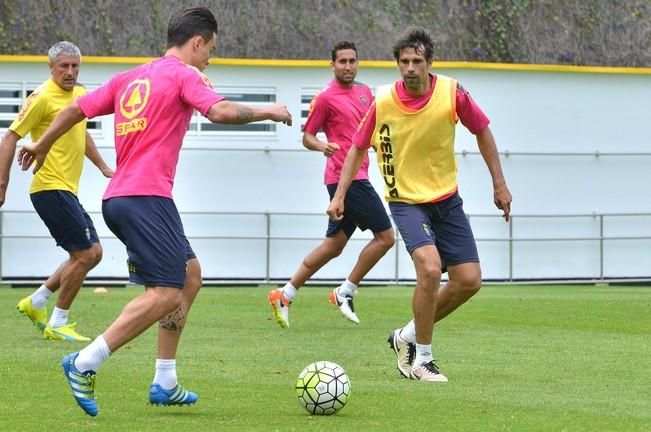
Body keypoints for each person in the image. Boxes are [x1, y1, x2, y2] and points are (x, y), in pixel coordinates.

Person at [18, 7, 292, 416]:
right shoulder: (184, 75)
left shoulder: (130, 78)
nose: (209, 60)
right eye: (210, 51)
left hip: (126, 197)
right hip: (146, 197)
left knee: (189, 275)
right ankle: (85, 362)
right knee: (164, 293)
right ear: (196, 42)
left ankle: (165, 379)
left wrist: (41, 144)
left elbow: (76, 110)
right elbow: (219, 111)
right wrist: (270, 110)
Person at [327, 27, 512, 382]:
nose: (410, 68)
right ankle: (422, 358)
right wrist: (339, 196)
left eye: (417, 61)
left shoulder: (452, 92)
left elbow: (482, 130)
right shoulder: (383, 101)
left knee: (469, 281)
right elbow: (356, 147)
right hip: (406, 201)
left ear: (429, 63)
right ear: (397, 64)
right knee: (429, 269)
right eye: (404, 61)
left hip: (447, 199)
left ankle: (406, 335)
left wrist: (499, 183)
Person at [268, 41, 394, 328]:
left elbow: (368, 132)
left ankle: (285, 294)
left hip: (358, 175)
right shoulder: (324, 98)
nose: (348, 66)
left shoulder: (365, 93)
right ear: (332, 65)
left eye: (352, 61)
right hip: (345, 179)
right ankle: (345, 292)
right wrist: (322, 146)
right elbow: (307, 136)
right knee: (386, 237)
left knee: (333, 246)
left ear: (357, 63)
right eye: (342, 62)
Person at [0, 41, 112, 342]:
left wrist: (102, 166)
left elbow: (81, 133)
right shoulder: (41, 98)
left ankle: (35, 302)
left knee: (94, 253)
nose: (70, 72)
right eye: (64, 66)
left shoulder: (80, 94)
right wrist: (2, 184)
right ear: (51, 67)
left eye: (75, 66)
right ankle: (58, 321)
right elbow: (10, 137)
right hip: (48, 187)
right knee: (86, 254)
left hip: (66, 189)